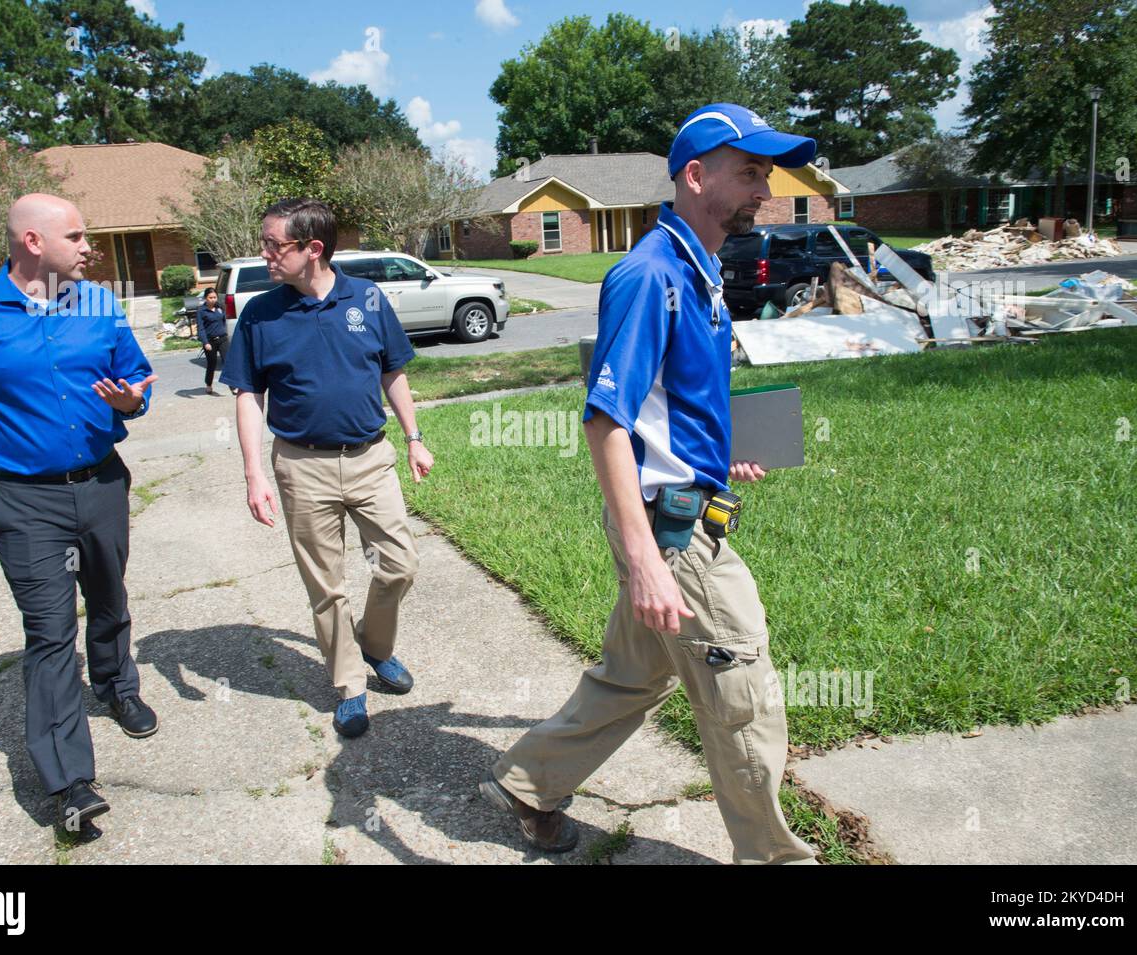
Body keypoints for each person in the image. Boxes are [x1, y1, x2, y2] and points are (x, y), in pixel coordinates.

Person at [479, 104, 821, 864]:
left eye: (766, 173)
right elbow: (605, 421)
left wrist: (718, 451)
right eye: (749, 171)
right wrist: (643, 560)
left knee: (635, 677)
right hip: (672, 532)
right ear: (695, 175)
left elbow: (666, 408)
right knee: (744, 699)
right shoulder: (648, 275)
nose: (763, 188)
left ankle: (532, 781)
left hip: (683, 501)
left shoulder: (698, 269)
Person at [0, 193, 159, 838]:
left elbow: (138, 379)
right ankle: (69, 782)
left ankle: (115, 683)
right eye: (76, 236)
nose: (89, 247)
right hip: (25, 501)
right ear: (32, 242)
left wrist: (132, 401)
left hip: (102, 482)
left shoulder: (102, 305)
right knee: (50, 632)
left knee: (109, 598)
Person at [221, 197, 433, 739]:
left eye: (274, 245)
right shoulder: (260, 314)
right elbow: (248, 396)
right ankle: (350, 687)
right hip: (301, 466)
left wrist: (414, 437)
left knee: (400, 565)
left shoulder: (367, 298)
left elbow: (392, 372)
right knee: (326, 585)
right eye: (265, 243)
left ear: (313, 249)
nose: (265, 254)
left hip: (370, 460)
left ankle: (375, 646)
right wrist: (254, 474)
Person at [195, 287, 229, 394]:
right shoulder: (201, 311)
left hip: (223, 339)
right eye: (210, 297)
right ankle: (208, 384)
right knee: (211, 364)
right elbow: (200, 328)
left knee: (227, 361)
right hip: (210, 341)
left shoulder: (220, 308)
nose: (213, 300)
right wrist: (205, 342)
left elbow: (224, 321)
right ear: (206, 298)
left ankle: (232, 385)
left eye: (215, 297)